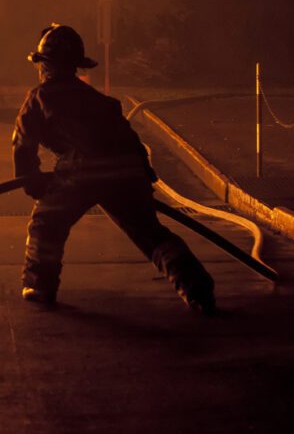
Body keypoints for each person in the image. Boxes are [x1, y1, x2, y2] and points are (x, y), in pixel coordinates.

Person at [13, 24, 216, 312]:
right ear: (75, 66)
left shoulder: (39, 98)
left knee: (45, 225)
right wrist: (143, 178)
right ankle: (198, 290)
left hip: (81, 171)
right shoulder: (99, 101)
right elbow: (129, 138)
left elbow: (22, 144)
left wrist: (33, 184)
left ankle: (39, 286)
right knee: (151, 234)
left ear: (44, 65)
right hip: (125, 171)